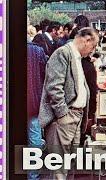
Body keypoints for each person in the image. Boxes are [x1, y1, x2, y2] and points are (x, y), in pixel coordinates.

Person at [38, 27, 99, 179]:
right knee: (59, 168)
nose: (92, 51)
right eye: (93, 46)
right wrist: (62, 113)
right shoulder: (62, 53)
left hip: (75, 117)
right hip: (66, 118)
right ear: (87, 40)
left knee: (69, 165)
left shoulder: (76, 56)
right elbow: (54, 87)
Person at [27, 42, 47, 180]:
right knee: (34, 140)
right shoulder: (36, 51)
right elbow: (46, 75)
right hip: (32, 102)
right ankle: (33, 176)